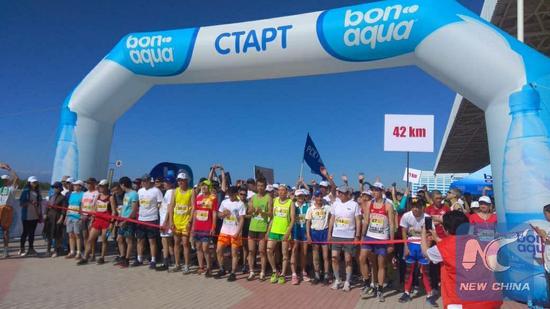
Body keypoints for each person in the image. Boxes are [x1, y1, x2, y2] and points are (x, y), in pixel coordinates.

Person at [421, 210, 502, 309]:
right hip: (491, 299)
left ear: (446, 230)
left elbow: (426, 252)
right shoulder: (483, 237)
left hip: (460, 303)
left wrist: (423, 231)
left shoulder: (443, 247)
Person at [398, 197, 438, 307]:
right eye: (414, 206)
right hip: (411, 246)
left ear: (423, 207)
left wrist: (428, 250)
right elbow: (404, 231)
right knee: (409, 271)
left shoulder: (427, 218)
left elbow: (430, 234)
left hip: (423, 247)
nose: (415, 209)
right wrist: (405, 246)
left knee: (426, 272)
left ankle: (429, 295)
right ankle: (406, 293)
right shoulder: (406, 216)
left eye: (418, 206)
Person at [360, 182, 395, 301]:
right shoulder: (369, 203)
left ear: (382, 191)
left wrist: (391, 242)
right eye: (373, 190)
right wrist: (362, 236)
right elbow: (365, 221)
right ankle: (366, 282)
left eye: (377, 190)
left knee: (381, 264)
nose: (375, 192)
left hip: (382, 238)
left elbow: (391, 223)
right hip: (369, 236)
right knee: (362, 258)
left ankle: (380, 289)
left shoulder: (388, 205)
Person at [328, 185, 361, 292]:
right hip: (336, 235)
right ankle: (337, 280)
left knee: (348, 259)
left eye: (342, 193)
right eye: (339, 192)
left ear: (348, 194)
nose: (340, 194)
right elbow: (332, 219)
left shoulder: (354, 204)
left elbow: (358, 221)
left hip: (349, 236)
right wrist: (329, 233)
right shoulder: (335, 204)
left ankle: (347, 281)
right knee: (334, 258)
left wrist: (357, 236)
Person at [215, 186, 246, 281]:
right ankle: (222, 268)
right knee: (218, 250)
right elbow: (218, 214)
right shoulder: (224, 202)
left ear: (236, 194)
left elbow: (242, 220)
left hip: (234, 232)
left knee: (234, 253)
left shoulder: (240, 204)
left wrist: (238, 232)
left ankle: (233, 272)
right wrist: (223, 214)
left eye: (232, 194)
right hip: (224, 231)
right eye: (229, 194)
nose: (230, 196)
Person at [78, 180, 113, 265]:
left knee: (104, 240)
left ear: (106, 187)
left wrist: (111, 223)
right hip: (97, 220)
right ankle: (85, 257)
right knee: (90, 239)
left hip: (106, 221)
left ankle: (102, 257)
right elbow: (94, 208)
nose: (100, 188)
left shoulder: (111, 197)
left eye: (101, 186)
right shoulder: (98, 196)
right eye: (99, 186)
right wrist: (92, 219)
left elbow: (114, 211)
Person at [266, 184, 295, 284]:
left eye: (283, 190)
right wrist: (268, 231)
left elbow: (292, 220)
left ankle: (283, 274)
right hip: (274, 231)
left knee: (285, 254)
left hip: (284, 232)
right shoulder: (275, 201)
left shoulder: (291, 202)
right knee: (269, 250)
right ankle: (274, 271)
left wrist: (288, 233)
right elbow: (272, 217)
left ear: (286, 191)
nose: (281, 192)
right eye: (279, 190)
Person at [246, 178, 272, 281]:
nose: (260, 187)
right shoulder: (253, 198)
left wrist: (263, 212)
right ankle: (251, 272)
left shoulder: (268, 198)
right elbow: (248, 212)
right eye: (258, 185)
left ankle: (262, 272)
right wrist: (251, 210)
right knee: (251, 251)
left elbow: (271, 214)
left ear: (265, 186)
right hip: (252, 227)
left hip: (262, 228)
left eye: (262, 186)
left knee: (262, 251)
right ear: (256, 186)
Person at [136, 174, 163, 268]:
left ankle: (153, 260)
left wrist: (157, 211)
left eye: (144, 181)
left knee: (152, 241)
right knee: (140, 240)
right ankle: (139, 259)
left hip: (152, 218)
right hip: (141, 219)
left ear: (149, 181)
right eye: (142, 181)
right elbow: (138, 204)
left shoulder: (156, 191)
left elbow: (160, 203)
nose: (143, 183)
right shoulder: (140, 191)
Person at [168, 173, 193, 274]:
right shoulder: (175, 191)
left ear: (186, 181)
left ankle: (186, 265)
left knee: (186, 244)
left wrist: (190, 221)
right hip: (176, 221)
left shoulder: (191, 191)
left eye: (182, 180)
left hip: (185, 222)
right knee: (176, 243)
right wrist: (170, 221)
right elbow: (171, 206)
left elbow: (193, 208)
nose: (180, 182)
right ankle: (177, 264)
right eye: (178, 180)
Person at [192, 179, 218, 277]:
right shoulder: (198, 198)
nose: (204, 187)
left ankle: (209, 268)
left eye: (206, 185)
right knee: (198, 247)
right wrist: (193, 226)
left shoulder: (213, 198)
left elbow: (214, 213)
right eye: (202, 185)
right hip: (198, 226)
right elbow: (195, 212)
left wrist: (213, 227)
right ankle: (201, 267)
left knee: (205, 248)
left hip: (207, 227)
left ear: (209, 187)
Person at [305, 189, 331, 285]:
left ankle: (326, 275)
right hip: (314, 233)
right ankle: (316, 275)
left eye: (321, 196)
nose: (319, 198)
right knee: (315, 256)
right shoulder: (310, 209)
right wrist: (308, 235)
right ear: (314, 198)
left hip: (324, 232)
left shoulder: (327, 208)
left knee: (325, 256)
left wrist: (329, 234)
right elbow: (308, 222)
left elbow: (330, 219)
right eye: (317, 196)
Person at [115, 176, 138, 268]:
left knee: (129, 240)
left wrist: (126, 221)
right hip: (122, 219)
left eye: (120, 184)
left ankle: (127, 260)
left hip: (129, 220)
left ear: (123, 184)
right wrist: (119, 218)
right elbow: (124, 207)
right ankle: (122, 256)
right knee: (119, 239)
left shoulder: (134, 194)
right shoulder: (126, 194)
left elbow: (134, 210)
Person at [19, 176, 43, 256]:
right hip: (26, 216)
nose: (35, 184)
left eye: (36, 182)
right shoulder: (25, 191)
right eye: (33, 182)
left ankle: (31, 249)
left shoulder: (38, 192)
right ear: (29, 183)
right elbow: (21, 204)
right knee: (25, 232)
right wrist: (30, 202)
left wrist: (40, 214)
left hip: (35, 216)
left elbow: (39, 203)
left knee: (32, 233)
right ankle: (22, 249)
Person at [291, 189, 310, 285]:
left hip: (304, 232)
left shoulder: (308, 206)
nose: (300, 198)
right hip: (295, 231)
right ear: (295, 197)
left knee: (304, 253)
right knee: (294, 251)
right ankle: (294, 274)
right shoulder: (293, 206)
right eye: (298, 196)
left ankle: (303, 272)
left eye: (302, 196)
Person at [0, 163, 18, 258]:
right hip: (1, 208)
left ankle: (6, 250)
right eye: (2, 180)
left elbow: (16, 178)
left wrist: (9, 169)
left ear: (8, 181)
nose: (3, 181)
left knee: (6, 231)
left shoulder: (11, 188)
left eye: (5, 180)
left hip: (7, 209)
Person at [157, 176, 175, 271]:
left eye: (166, 182)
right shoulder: (171, 192)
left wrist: (165, 222)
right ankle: (172, 260)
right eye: (164, 182)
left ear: (171, 183)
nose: (164, 183)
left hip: (165, 220)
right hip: (166, 219)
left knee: (165, 241)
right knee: (169, 242)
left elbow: (169, 208)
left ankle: (166, 262)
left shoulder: (170, 192)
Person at [44, 182, 67, 257]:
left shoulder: (63, 198)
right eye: (54, 187)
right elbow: (47, 206)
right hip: (49, 217)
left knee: (57, 234)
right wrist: (45, 214)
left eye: (56, 187)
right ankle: (48, 250)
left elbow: (64, 210)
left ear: (60, 188)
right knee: (49, 234)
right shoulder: (51, 197)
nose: (55, 189)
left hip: (57, 217)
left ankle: (56, 250)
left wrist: (61, 218)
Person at [65, 180, 84, 259]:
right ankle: (72, 251)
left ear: (80, 186)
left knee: (77, 235)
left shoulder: (83, 194)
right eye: (74, 185)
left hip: (77, 217)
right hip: (70, 216)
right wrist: (66, 217)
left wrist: (81, 216)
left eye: (76, 185)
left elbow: (83, 206)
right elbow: (69, 205)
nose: (74, 186)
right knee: (70, 235)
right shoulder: (72, 194)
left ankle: (79, 252)